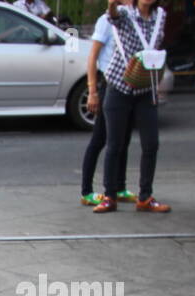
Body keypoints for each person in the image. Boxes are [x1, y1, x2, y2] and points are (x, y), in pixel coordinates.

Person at [92, 0, 171, 213]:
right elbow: (113, 17)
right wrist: (112, 5)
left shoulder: (160, 15)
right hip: (119, 85)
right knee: (114, 144)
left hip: (145, 87)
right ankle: (110, 196)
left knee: (151, 143)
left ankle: (145, 196)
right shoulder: (126, 14)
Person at [81, 9, 137, 205]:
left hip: (129, 86)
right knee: (100, 139)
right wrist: (92, 91)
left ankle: (119, 187)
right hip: (109, 85)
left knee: (123, 139)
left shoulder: (135, 18)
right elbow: (92, 56)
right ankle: (87, 191)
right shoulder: (106, 20)